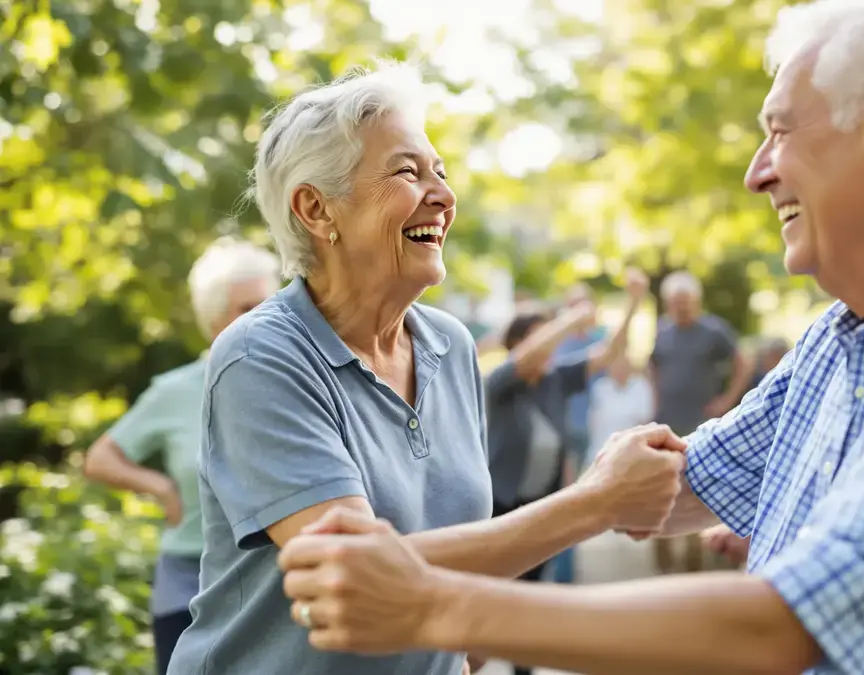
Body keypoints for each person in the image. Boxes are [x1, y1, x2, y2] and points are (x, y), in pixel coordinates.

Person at [276, 2, 864, 673]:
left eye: (778, 131)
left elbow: (792, 625)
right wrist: (377, 565)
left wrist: (433, 604)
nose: (755, 172)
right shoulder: (839, 340)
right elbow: (667, 487)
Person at [165, 63, 687, 675]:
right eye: (408, 172)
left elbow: (466, 557)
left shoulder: (450, 344)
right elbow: (355, 577)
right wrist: (595, 502)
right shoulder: (261, 356)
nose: (443, 194)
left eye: (440, 171)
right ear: (315, 209)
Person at [83, 238, 279, 675]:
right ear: (213, 321)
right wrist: (159, 486)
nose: (263, 320)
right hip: (187, 582)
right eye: (246, 308)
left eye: (270, 305)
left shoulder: (291, 387)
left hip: (268, 580)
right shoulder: (175, 392)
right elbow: (100, 459)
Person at [484, 272, 646, 675]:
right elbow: (526, 356)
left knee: (530, 592)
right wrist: (570, 320)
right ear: (519, 343)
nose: (552, 348)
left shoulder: (556, 380)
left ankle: (522, 666)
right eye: (543, 338)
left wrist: (633, 304)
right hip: (501, 503)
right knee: (498, 593)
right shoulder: (502, 383)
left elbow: (609, 354)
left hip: (541, 501)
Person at [648, 270, 751, 573]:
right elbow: (652, 367)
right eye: (676, 302)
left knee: (695, 491)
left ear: (697, 300)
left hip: (701, 426)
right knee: (659, 492)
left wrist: (726, 400)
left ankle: (694, 568)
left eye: (687, 301)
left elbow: (743, 361)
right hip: (667, 423)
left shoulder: (714, 331)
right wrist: (654, 402)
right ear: (669, 303)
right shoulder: (662, 332)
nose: (682, 307)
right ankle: (663, 569)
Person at [547, 282, 609, 584]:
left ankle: (562, 573)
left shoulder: (601, 338)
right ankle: (562, 574)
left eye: (585, 306)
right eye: (575, 306)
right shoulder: (556, 343)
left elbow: (617, 365)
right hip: (559, 432)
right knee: (565, 496)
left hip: (588, 429)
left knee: (573, 496)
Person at [586, 352, 654, 466]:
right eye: (615, 365)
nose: (620, 369)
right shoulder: (600, 388)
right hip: (600, 451)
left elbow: (644, 422)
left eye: (623, 365)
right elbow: (594, 423)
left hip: (630, 453)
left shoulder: (641, 387)